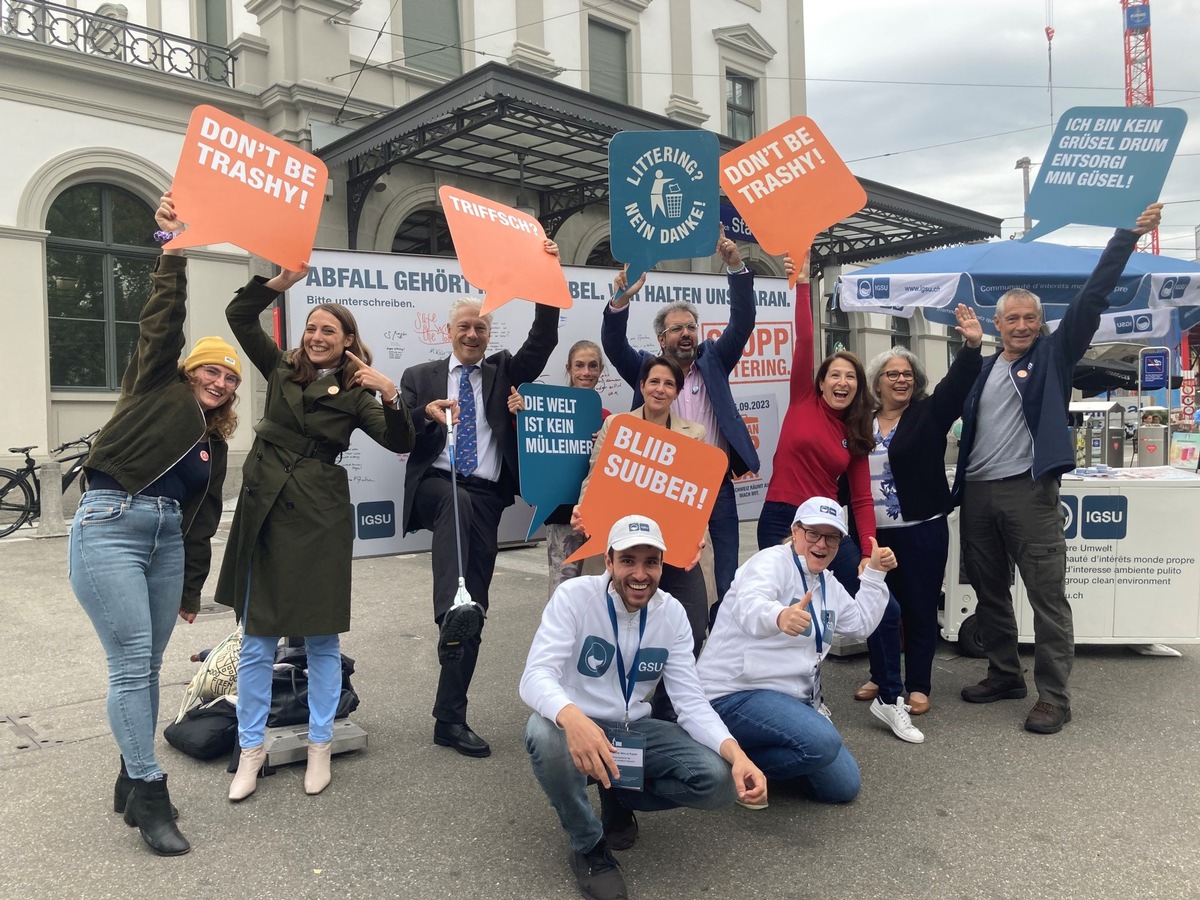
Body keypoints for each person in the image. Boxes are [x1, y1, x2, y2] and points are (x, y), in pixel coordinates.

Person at [69, 193, 240, 856]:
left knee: (147, 669)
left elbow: (204, 519)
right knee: (132, 662)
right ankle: (148, 789)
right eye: (210, 368)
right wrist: (172, 249)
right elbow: (160, 322)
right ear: (186, 370)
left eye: (228, 376)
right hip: (110, 523)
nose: (220, 381)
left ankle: (126, 765)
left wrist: (193, 586)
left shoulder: (214, 446)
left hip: (168, 540)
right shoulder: (154, 387)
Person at [954, 202, 1163, 735]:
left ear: (1041, 324)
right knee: (990, 590)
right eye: (1012, 318)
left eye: (1030, 318)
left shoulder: (1053, 355)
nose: (1021, 325)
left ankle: (1054, 697)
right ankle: (1005, 673)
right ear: (997, 325)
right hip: (978, 492)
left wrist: (1126, 235)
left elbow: (1093, 295)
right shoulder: (983, 370)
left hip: (1028, 493)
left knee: (1047, 596)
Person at [217, 264, 415, 800]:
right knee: (258, 640)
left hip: (319, 514)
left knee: (322, 639)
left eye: (329, 330)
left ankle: (321, 743)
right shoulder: (281, 367)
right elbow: (239, 314)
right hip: (266, 508)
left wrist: (390, 396)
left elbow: (401, 443)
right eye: (311, 327)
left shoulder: (356, 393)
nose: (317, 336)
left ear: (349, 340)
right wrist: (278, 282)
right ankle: (251, 749)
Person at [519, 514, 766, 900]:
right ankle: (588, 846)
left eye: (651, 562)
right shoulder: (575, 597)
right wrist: (574, 718)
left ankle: (618, 792)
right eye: (629, 560)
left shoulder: (672, 614)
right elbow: (534, 676)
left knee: (718, 783)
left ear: (662, 564)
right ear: (610, 560)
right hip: (578, 725)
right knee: (544, 736)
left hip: (633, 730)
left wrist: (737, 754)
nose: (640, 573)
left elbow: (691, 703)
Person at [400, 243, 561, 759]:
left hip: (485, 498)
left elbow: (544, 339)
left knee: (478, 607)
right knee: (460, 581)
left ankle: (450, 717)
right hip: (435, 488)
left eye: (482, 328)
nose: (473, 335)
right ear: (450, 333)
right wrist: (425, 414)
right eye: (465, 327)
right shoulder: (421, 376)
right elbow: (399, 434)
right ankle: (453, 606)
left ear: (490, 336)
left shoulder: (502, 374)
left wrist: (545, 277)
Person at [697, 498, 895, 804]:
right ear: (795, 530)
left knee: (843, 786)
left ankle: (744, 757)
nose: (822, 544)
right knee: (823, 742)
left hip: (790, 700)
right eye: (813, 533)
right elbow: (750, 604)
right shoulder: (770, 562)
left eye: (832, 537)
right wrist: (778, 616)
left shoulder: (826, 582)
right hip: (734, 693)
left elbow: (859, 624)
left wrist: (875, 575)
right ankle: (732, 766)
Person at [602, 233, 758, 609]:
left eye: (691, 326)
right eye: (677, 328)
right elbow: (613, 344)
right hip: (663, 489)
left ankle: (716, 657)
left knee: (724, 578)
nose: (686, 333)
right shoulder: (647, 370)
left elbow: (744, 322)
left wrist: (735, 266)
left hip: (715, 488)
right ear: (661, 337)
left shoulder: (716, 360)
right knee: (672, 574)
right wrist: (622, 298)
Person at [853, 310, 981, 733]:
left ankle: (918, 684)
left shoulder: (929, 414)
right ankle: (881, 675)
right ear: (876, 383)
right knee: (876, 607)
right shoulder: (860, 422)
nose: (901, 380)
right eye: (892, 374)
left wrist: (972, 347)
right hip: (874, 535)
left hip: (921, 529)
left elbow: (957, 385)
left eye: (907, 374)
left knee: (920, 606)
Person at [575, 356, 709, 662]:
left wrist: (696, 538)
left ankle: (667, 706)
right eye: (654, 382)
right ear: (642, 386)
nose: (660, 390)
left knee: (693, 622)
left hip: (674, 545)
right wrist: (583, 510)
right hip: (623, 541)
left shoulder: (696, 433)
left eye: (669, 384)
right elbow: (595, 478)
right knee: (609, 624)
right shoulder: (617, 425)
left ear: (677, 392)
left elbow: (698, 495)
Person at [507, 339, 610, 596]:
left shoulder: (608, 418)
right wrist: (517, 414)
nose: (586, 372)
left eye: (592, 366)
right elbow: (527, 443)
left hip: (595, 516)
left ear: (600, 371)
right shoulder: (544, 408)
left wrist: (605, 445)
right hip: (561, 513)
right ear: (569, 369)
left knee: (597, 588)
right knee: (563, 588)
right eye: (580, 365)